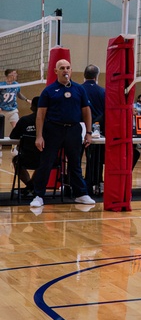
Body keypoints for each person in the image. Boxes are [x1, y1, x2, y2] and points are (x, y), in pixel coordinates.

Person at [28, 59, 96, 209]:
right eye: (62, 68)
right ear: (56, 71)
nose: (65, 70)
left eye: (68, 68)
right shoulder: (49, 91)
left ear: (71, 70)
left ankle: (81, 194)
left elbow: (86, 112)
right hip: (53, 130)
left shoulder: (79, 89)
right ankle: (38, 195)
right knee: (46, 163)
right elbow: (40, 115)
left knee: (75, 163)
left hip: (73, 129)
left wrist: (89, 133)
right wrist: (39, 136)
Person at [10, 96, 40, 194]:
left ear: (32, 107)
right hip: (46, 159)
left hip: (27, 158)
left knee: (16, 160)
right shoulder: (50, 121)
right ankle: (31, 186)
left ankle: (30, 186)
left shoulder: (24, 120)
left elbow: (13, 136)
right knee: (44, 162)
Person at [0, 67, 26, 162]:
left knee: (17, 128)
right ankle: (0, 149)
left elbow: (18, 94)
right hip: (2, 110)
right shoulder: (2, 85)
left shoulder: (16, 85)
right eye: (15, 74)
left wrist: (27, 100)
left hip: (12, 110)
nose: (16, 75)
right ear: (10, 75)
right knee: (0, 131)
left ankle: (14, 148)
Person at [81, 65, 106, 134]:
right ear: (96, 77)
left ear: (84, 75)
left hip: (82, 127)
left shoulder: (77, 90)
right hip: (99, 128)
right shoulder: (103, 91)